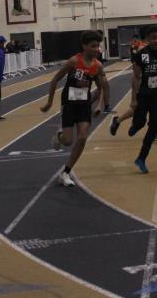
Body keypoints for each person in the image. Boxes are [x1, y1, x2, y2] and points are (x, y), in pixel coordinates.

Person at [41, 30, 110, 187]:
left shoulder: (98, 66)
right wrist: (49, 102)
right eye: (93, 46)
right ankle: (59, 136)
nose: (96, 49)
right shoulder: (73, 61)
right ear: (84, 46)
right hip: (69, 103)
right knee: (67, 141)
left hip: (84, 104)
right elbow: (55, 79)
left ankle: (66, 172)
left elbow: (101, 87)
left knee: (83, 137)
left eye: (98, 46)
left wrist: (100, 104)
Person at [126, 26, 157, 174]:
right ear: (147, 39)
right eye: (153, 38)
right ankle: (136, 125)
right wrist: (133, 99)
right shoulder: (142, 54)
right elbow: (136, 77)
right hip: (144, 94)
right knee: (140, 122)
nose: (156, 41)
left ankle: (141, 158)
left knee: (155, 126)